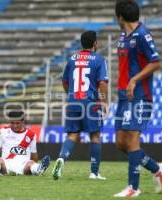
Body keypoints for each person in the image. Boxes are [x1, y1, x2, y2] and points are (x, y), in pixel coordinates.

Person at [113, 0, 162, 198]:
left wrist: (134, 80)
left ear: (120, 17)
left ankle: (133, 187)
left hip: (139, 95)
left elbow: (155, 62)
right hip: (123, 95)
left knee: (132, 139)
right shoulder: (122, 37)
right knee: (121, 143)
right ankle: (156, 168)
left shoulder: (143, 35)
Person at [51, 30, 109, 180]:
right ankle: (94, 173)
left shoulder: (71, 59)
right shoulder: (99, 59)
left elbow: (64, 82)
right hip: (90, 103)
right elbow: (102, 82)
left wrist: (71, 95)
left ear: (81, 44)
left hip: (74, 102)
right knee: (95, 135)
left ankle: (61, 158)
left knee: (72, 135)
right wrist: (105, 102)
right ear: (95, 43)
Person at [0, 110, 50, 176]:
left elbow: (34, 155)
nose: (15, 126)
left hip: (23, 165)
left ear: (23, 121)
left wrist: (34, 165)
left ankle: (39, 169)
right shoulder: (2, 132)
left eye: (17, 123)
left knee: (31, 163)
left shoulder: (31, 135)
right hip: (6, 165)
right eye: (12, 123)